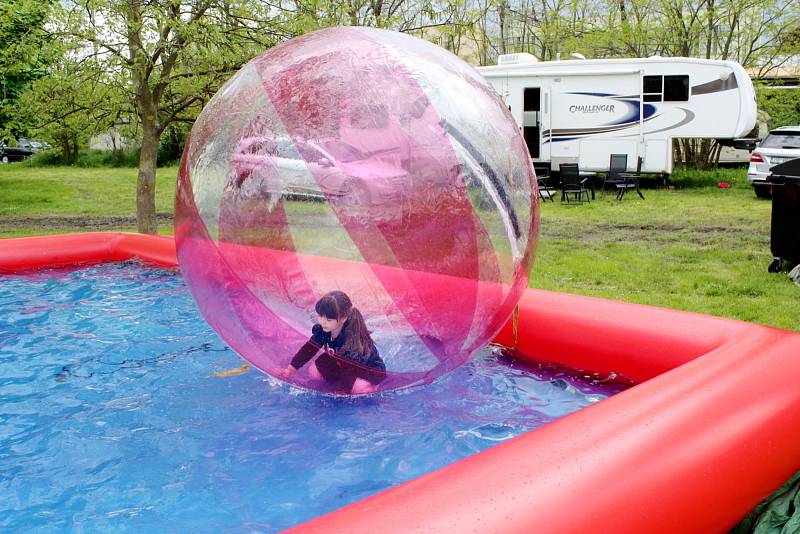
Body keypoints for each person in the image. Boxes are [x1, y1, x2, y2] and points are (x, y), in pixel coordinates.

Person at [279, 291, 386, 394]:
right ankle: (343, 381)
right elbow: (309, 349)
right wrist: (290, 369)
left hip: (364, 368)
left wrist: (343, 391)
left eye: (329, 320)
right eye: (320, 316)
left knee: (359, 389)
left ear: (343, 318)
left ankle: (371, 387)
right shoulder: (325, 329)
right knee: (314, 372)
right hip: (340, 361)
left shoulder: (351, 339)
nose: (323, 322)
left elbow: (351, 369)